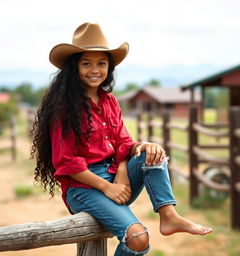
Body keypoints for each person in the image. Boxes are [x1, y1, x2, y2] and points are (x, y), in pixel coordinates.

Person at [31, 22, 212, 256]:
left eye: (101, 63)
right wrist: (107, 187)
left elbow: (122, 144)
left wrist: (125, 165)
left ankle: (168, 216)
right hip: (83, 186)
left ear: (109, 67)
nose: (94, 69)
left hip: (116, 177)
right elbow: (67, 163)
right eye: (86, 63)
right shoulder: (64, 108)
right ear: (74, 68)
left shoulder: (110, 101)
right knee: (138, 238)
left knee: (152, 152)